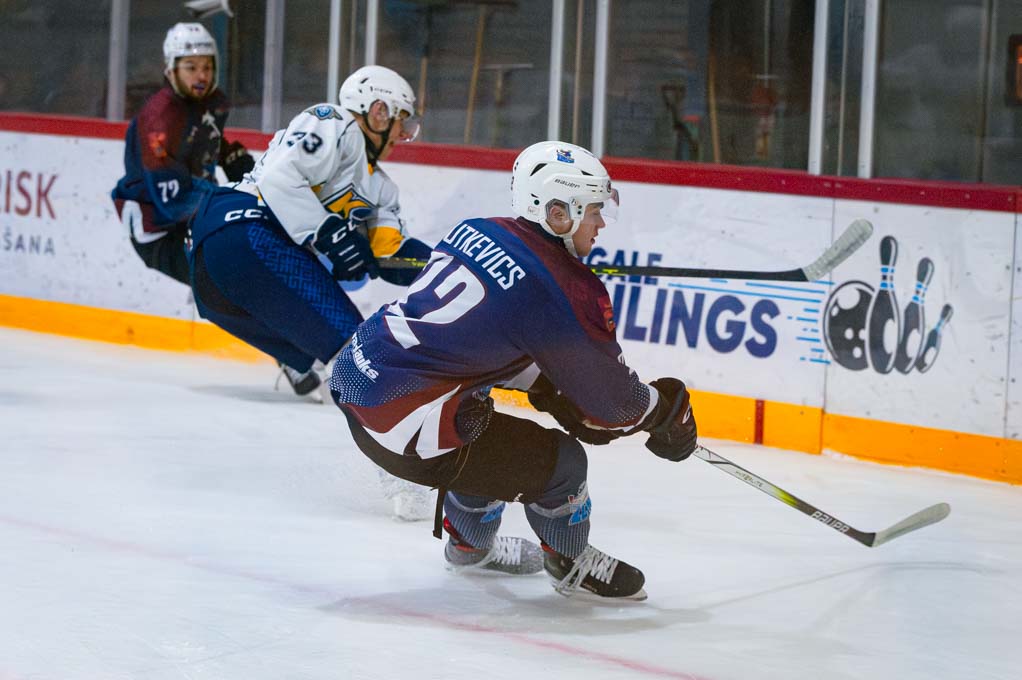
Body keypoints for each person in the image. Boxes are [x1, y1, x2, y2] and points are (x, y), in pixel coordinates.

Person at [330, 141, 699, 600]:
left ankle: (469, 548)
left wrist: (546, 388)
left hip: (354, 383)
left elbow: (469, 338)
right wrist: (666, 412)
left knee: (481, 426)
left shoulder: (474, 230)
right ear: (559, 213)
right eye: (594, 211)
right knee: (564, 465)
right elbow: (614, 405)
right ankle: (569, 563)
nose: (601, 223)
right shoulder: (562, 289)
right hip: (403, 429)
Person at [186, 64, 435, 520]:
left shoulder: (382, 190)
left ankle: (393, 459)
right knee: (359, 356)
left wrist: (443, 267)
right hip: (242, 231)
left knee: (341, 360)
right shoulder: (332, 124)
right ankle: (403, 472)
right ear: (378, 111)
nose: (404, 134)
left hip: (219, 278)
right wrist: (327, 232)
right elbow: (280, 178)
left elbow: (391, 255)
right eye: (402, 120)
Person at [112, 22, 254, 286]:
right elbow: (173, 200)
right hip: (158, 230)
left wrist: (232, 158)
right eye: (191, 67)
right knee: (230, 277)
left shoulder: (209, 102)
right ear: (171, 69)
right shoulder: (159, 118)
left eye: (207, 67)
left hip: (192, 216)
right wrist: (234, 200)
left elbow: (200, 143)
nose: (201, 75)